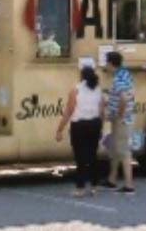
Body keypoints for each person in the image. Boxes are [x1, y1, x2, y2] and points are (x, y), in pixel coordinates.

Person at [55, 66, 104, 197]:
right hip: (94, 123)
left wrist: (59, 129)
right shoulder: (98, 90)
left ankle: (80, 187)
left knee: (80, 157)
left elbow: (69, 111)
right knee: (93, 155)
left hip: (79, 125)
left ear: (81, 76)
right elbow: (101, 111)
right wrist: (101, 127)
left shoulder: (75, 91)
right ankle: (94, 186)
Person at [102, 51, 136, 194]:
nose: (105, 65)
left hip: (122, 119)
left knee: (123, 151)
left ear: (111, 63)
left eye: (107, 62)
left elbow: (122, 98)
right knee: (116, 149)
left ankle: (129, 185)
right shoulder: (124, 74)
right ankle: (112, 179)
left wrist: (119, 115)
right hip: (123, 117)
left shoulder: (118, 79)